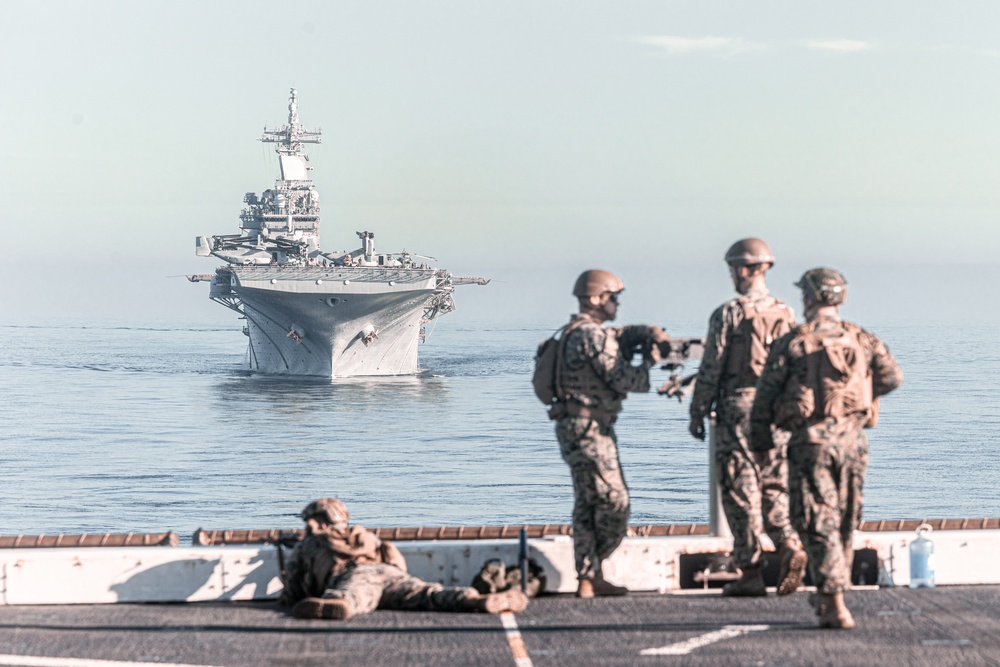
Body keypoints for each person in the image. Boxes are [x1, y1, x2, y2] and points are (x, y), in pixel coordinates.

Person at [750, 268, 903, 629]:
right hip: (853, 444)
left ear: (808, 298)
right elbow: (893, 377)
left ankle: (833, 599)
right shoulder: (861, 338)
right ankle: (828, 591)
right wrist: (863, 394)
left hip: (810, 444)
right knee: (847, 518)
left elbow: (764, 399)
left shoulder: (793, 342)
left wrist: (760, 442)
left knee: (818, 519)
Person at [688, 238, 807, 597]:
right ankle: (788, 542)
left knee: (740, 489)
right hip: (776, 410)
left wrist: (697, 410)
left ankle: (751, 570)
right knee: (775, 485)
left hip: (739, 407)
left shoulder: (729, 313)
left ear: (741, 269)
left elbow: (711, 366)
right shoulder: (786, 313)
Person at [551, 269, 668, 598]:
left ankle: (589, 577)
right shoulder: (591, 335)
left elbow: (615, 339)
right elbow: (627, 381)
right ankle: (594, 564)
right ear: (594, 299)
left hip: (578, 426)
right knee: (616, 502)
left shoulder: (576, 332)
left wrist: (639, 332)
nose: (617, 303)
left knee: (587, 503)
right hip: (589, 429)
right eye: (612, 297)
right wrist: (649, 362)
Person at [281, 498, 528, 620]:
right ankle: (471, 598)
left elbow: (293, 586)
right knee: (426, 594)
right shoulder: (365, 536)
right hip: (390, 572)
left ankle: (340, 603)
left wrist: (290, 599)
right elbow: (396, 563)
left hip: (356, 575)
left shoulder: (311, 544)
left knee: (355, 595)